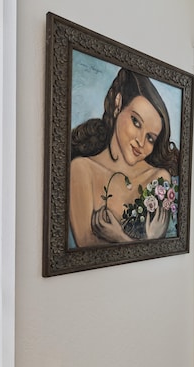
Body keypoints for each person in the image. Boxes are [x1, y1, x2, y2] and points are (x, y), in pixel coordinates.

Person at [69, 68, 179, 248]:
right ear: (118, 104)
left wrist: (119, 236)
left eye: (150, 138)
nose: (141, 142)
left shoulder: (159, 179)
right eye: (136, 122)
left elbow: (160, 248)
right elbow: (86, 247)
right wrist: (144, 239)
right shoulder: (81, 170)